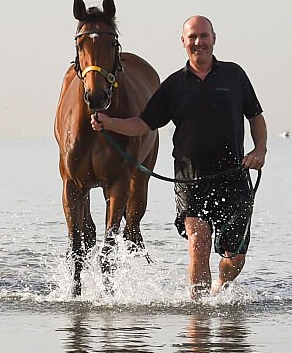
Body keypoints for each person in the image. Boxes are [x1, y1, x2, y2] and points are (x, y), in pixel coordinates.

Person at [91, 15, 267, 296]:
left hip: (233, 176)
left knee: (233, 259)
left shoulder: (235, 75)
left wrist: (259, 150)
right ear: (183, 42)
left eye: (204, 36)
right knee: (198, 244)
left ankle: (220, 287)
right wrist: (109, 123)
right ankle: (197, 316)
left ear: (214, 38)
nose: (199, 42)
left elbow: (256, 117)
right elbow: (143, 124)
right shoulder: (173, 86)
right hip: (190, 178)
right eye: (192, 37)